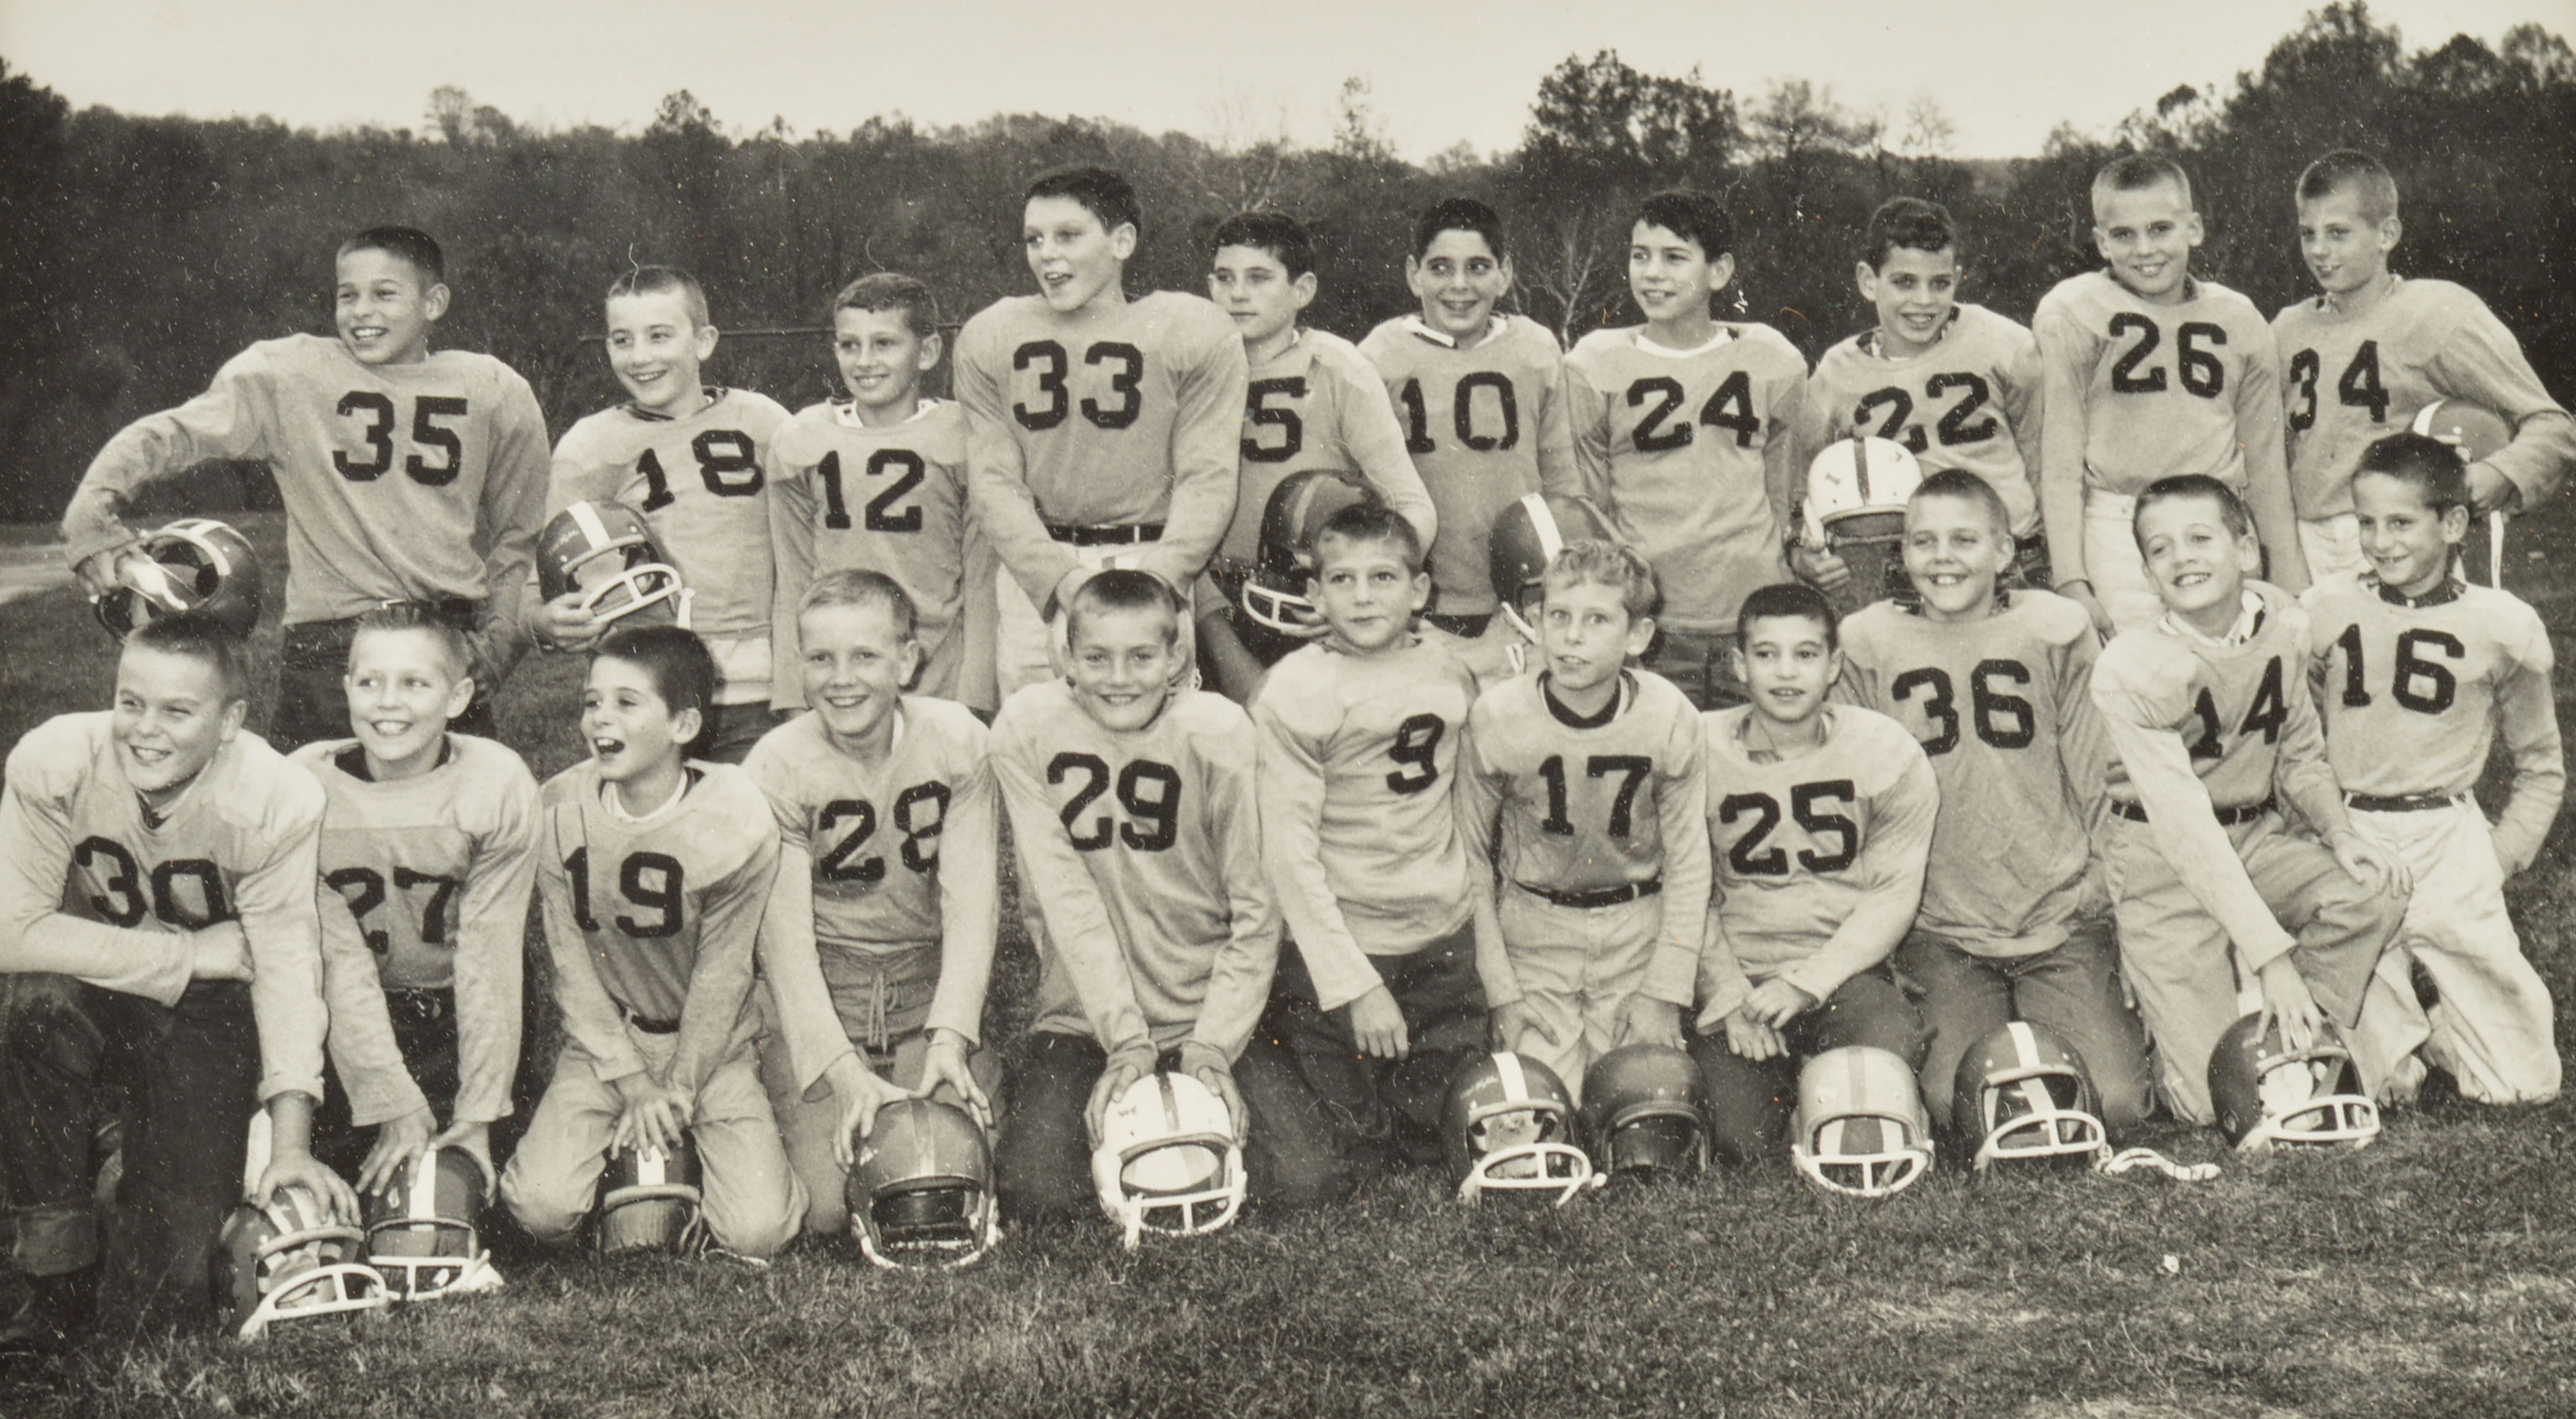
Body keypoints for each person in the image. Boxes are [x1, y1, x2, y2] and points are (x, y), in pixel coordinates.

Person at [0, 614, 351, 1348]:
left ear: (231, 722)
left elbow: (287, 968)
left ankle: (125, 1148)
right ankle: (52, 1265)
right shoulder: (58, 757)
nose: (144, 730)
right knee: (34, 1003)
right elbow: (11, 931)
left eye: (177, 710)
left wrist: (291, 1144)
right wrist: (188, 954)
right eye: (131, 702)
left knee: (162, 1306)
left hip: (209, 1017)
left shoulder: (274, 796)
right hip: (96, 987)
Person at [62, 226, 549, 749]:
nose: (361, 310)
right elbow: (173, 433)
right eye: (347, 295)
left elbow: (521, 535)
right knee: (308, 814)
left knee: (462, 815)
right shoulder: (291, 372)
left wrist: (497, 646)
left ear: (434, 302)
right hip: (331, 640)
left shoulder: (494, 388)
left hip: (446, 634)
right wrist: (91, 515)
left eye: (384, 294)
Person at [987, 570, 1335, 1217]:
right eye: (1096, 657)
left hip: (1211, 1006)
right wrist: (1125, 1039)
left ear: (1176, 656)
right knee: (1035, 1193)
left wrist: (1213, 1043)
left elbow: (1257, 907)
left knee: (1304, 1179)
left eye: (1141, 657)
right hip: (1086, 1014)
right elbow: (1066, 899)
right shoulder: (1028, 728)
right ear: (1065, 656)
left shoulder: (1217, 733)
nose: (1119, 677)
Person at [2089, 474, 2410, 1125]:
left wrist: (2340, 834)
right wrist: (2274, 960)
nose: (2182, 558)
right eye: (2160, 549)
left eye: (2200, 538)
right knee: (2210, 1104)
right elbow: (2185, 833)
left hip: (2252, 834)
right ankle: (2206, 1002)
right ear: (2148, 576)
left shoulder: (2283, 619)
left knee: (2375, 889)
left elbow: (2299, 755)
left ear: (2246, 549)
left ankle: (2293, 1026)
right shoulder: (2133, 667)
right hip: (2161, 859)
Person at [1835, 471, 2148, 1134]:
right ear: (1903, 552)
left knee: (2113, 1104)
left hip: (2057, 909)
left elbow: (2096, 772)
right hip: (1939, 924)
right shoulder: (1866, 642)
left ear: (2005, 552)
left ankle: (2056, 1013)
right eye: (1924, 541)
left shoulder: (2055, 628)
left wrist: (2103, 892)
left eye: (1964, 539)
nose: (1943, 557)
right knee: (1959, 1106)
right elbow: (1860, 800)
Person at [500, 625, 804, 1261]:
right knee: (540, 1209)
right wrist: (633, 1081)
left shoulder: (733, 816)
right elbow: (570, 965)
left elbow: (723, 974)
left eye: (626, 703)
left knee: (758, 1233)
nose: (599, 720)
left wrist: (682, 1087)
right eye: (592, 701)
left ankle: (676, 1159)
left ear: (684, 724)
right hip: (608, 1043)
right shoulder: (559, 807)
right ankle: (645, 1162)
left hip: (714, 1046)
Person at [2305, 433, 2562, 1103]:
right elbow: (2296, 736)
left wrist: (2501, 858)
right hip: (2356, 831)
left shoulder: (2500, 622)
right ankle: (2399, 1033)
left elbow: (2542, 766)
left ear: (2452, 524)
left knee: (2520, 1087)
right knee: (2376, 1084)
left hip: (2447, 832)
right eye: (2366, 522)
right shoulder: (2326, 609)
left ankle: (2449, 1022)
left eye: (2400, 522)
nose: (2380, 541)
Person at [744, 571, 1002, 1237]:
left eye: (865, 656)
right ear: (798, 664)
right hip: (828, 995)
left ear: (907, 660)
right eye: (821, 658)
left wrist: (952, 1035)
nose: (842, 678)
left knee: (951, 1171)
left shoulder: (956, 739)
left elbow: (972, 901)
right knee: (828, 1208)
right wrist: (840, 1068)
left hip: (921, 998)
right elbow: (785, 945)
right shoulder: (776, 763)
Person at [1241, 502, 1484, 1179]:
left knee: (1438, 1134)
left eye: (1383, 578)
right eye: (1342, 580)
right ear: (1314, 594)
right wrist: (1353, 985)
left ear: (1420, 591)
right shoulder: (1294, 691)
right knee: (1352, 1147)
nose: (1363, 596)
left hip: (1438, 928)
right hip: (1340, 934)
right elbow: (1287, 853)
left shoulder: (1449, 670)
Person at [956, 165, 1248, 697]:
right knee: (1039, 745)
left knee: (1158, 749)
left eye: (1068, 235)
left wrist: (1158, 579)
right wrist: (1060, 581)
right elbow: (994, 483)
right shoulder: (992, 334)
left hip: (1152, 559)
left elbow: (1206, 476)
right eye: (1034, 239)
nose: (1047, 254)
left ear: (1122, 241)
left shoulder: (1192, 329)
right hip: (1039, 575)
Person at [291, 603, 537, 1192]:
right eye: (370, 682)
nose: (388, 702)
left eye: (415, 683)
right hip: (341, 1011)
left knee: (477, 1185)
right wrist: (387, 1093)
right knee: (345, 1178)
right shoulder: (301, 786)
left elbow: (490, 957)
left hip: (459, 1011)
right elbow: (336, 964)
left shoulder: (496, 782)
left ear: (458, 698)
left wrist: (478, 1114)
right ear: (346, 687)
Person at [1454, 539, 1711, 1100]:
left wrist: (1664, 991)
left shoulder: (1669, 715)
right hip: (1536, 931)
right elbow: (1469, 856)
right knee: (1540, 1109)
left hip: (1636, 928)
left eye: (1597, 619)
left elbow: (1690, 863)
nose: (1572, 637)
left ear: (1638, 635)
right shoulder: (1498, 716)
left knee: (1644, 1104)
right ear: (1535, 622)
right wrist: (1502, 991)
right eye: (1558, 616)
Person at [1694, 582, 1936, 1165]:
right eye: (1766, 653)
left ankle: (1824, 1089)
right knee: (1738, 1140)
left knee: (1888, 1056)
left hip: (1842, 975)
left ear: (1833, 665)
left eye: (1805, 654)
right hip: (1742, 976)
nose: (1786, 672)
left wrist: (1808, 982)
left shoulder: (1884, 749)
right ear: (1738, 665)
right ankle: (1808, 1097)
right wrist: (1727, 996)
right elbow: (1681, 892)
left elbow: (1893, 893)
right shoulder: (1695, 748)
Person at [2273, 149, 2575, 579]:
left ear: (2387, 233)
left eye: (2338, 233)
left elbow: (2552, 425)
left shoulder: (2436, 313)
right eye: (2308, 233)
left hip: (2403, 542)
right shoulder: (2286, 329)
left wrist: (2497, 472)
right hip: (2307, 545)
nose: (2319, 250)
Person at [2035, 155, 2305, 635]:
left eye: (2160, 229)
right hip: (2119, 524)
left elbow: (2265, 460)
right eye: (2124, 235)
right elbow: (2059, 459)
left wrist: (2286, 569)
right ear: (2100, 242)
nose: (2145, 249)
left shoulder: (2238, 317)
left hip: (2217, 515)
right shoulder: (2073, 310)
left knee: (2230, 673)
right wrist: (2071, 577)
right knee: (2131, 677)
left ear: (2193, 228)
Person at [1565, 189, 1807, 710]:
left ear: (1718, 272)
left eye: (1675, 258)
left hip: (1752, 613)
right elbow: (1590, 501)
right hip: (1651, 626)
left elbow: (1785, 484)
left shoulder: (1769, 357)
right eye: (1640, 255)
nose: (1652, 273)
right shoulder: (1596, 362)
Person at [541, 266, 792, 762]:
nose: (640, 357)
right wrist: (547, 622)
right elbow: (542, 583)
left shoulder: (766, 421)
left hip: (760, 688)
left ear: (703, 341)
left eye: (659, 336)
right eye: (622, 339)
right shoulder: (590, 445)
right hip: (649, 692)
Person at [1198, 211, 1436, 699]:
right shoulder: (1191, 368)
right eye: (1225, 279)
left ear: (1302, 290)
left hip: (1309, 603)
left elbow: (1412, 505)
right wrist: (1208, 614)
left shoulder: (1336, 368)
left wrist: (1352, 591)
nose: (1238, 293)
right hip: (1210, 599)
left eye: (1259, 278)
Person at [769, 273, 997, 716]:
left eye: (885, 344)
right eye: (849, 345)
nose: (864, 361)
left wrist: (974, 698)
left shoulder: (963, 436)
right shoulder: (802, 437)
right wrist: (792, 696)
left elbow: (981, 582)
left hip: (937, 673)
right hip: (839, 672)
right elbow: (794, 577)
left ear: (927, 351)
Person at [1800, 197, 2048, 596]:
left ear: (1957, 277)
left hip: (2014, 554)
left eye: (1940, 283)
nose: (1924, 301)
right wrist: (1803, 549)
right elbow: (1802, 474)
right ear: (1868, 280)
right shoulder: (1837, 372)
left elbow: (2044, 455)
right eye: (1904, 282)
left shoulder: (2004, 343)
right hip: (1904, 567)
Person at [1358, 197, 1582, 638]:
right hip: (1416, 601)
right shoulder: (1378, 355)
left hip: (1526, 596)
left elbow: (1563, 479)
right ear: (1413, 274)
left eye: (1478, 267)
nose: (1459, 285)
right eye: (1440, 268)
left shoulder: (1535, 348)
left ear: (1505, 274)